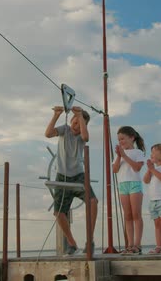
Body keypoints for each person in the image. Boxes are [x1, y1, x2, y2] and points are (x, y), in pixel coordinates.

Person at [44, 105, 98, 255]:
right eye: (74, 122)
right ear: (70, 122)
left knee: (93, 202)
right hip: (62, 176)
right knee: (58, 212)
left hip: (79, 176)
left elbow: (86, 137)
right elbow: (48, 133)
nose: (75, 126)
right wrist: (56, 115)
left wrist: (80, 117)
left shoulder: (82, 136)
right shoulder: (65, 129)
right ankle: (72, 243)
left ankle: (90, 239)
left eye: (79, 124)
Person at [112, 126, 146, 254]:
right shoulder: (119, 155)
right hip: (122, 185)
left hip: (134, 184)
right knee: (127, 216)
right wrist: (119, 156)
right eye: (119, 139)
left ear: (132, 138)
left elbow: (137, 168)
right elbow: (115, 170)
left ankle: (137, 244)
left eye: (123, 139)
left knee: (136, 214)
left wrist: (124, 155)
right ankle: (130, 244)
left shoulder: (138, 152)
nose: (121, 141)